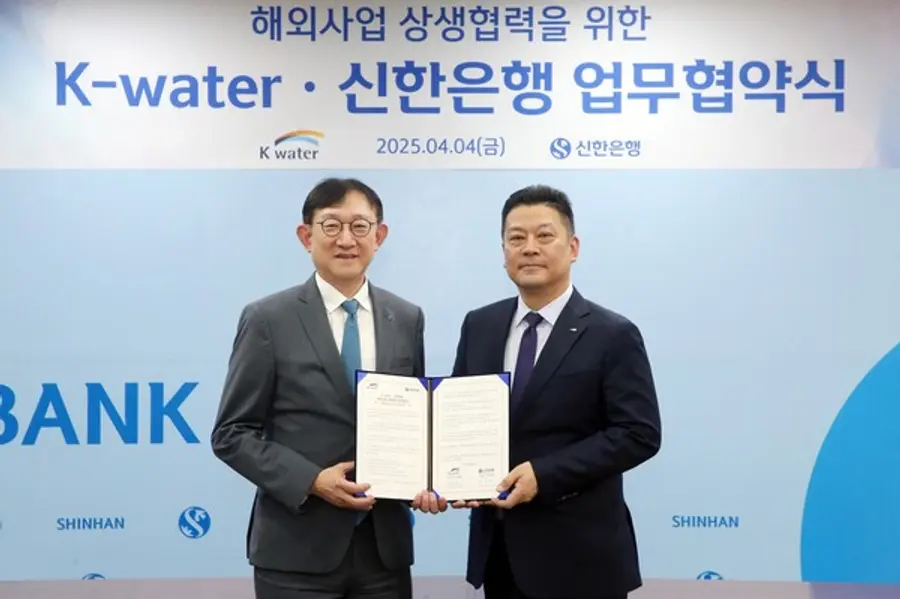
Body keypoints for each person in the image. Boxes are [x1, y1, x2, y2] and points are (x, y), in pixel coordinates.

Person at [211, 177, 441, 599]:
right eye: (331, 226)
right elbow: (231, 434)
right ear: (306, 236)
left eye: (359, 226)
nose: (346, 240)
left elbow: (415, 425)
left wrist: (432, 479)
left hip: (384, 552)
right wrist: (312, 481)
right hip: (295, 550)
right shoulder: (268, 319)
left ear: (379, 235)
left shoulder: (407, 318)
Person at [445, 185, 662, 598]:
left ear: (573, 247)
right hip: (501, 555)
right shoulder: (480, 326)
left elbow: (639, 433)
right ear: (504, 251)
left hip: (582, 559)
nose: (529, 248)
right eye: (516, 238)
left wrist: (544, 476)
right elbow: (458, 419)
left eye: (544, 236)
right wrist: (443, 476)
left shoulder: (612, 334)